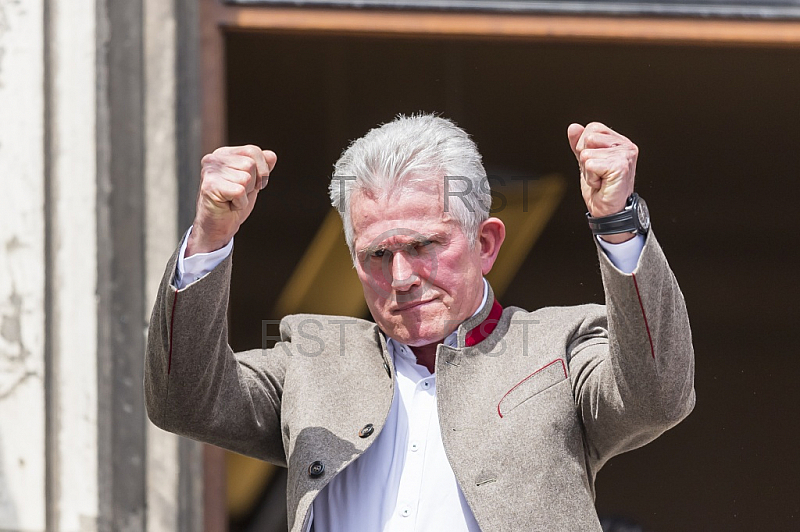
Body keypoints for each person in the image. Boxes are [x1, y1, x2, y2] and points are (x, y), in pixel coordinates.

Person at [145, 115, 695, 531]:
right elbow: (183, 399)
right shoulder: (312, 357)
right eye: (377, 255)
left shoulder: (561, 345)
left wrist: (617, 223)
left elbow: (658, 394)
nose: (402, 275)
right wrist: (212, 236)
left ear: (485, 243)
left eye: (425, 244)